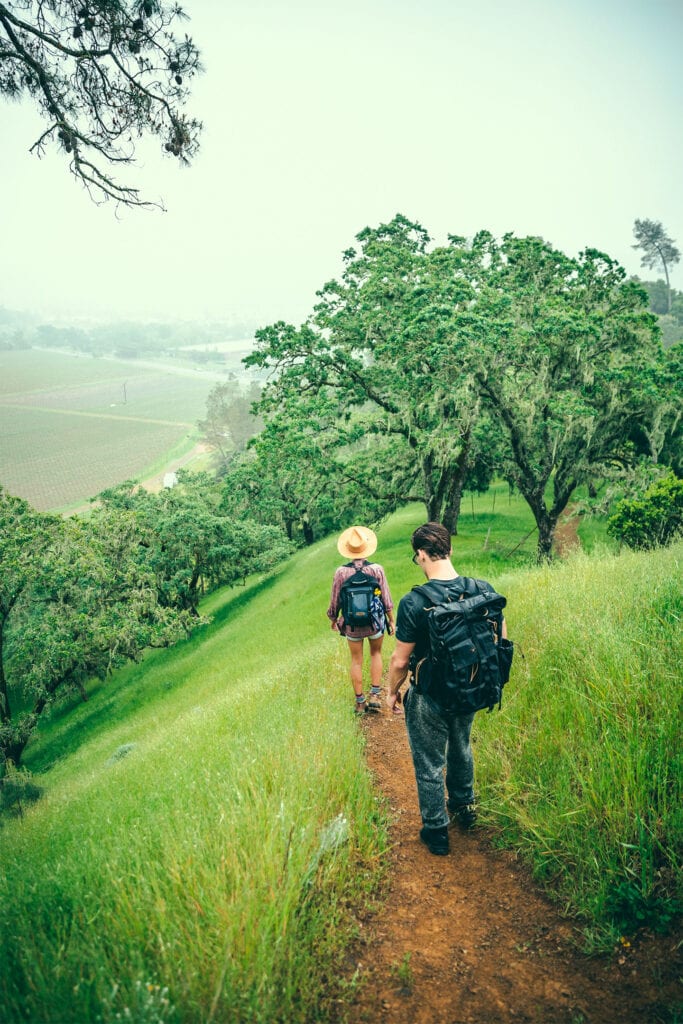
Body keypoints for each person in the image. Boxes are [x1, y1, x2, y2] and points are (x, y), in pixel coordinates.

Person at [385, 522, 508, 855]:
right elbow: (501, 637)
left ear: (421, 555)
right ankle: (465, 806)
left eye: (418, 557)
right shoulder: (482, 588)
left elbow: (399, 661)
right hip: (472, 688)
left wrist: (392, 692)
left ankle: (437, 830)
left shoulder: (415, 602)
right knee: (462, 745)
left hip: (431, 696)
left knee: (428, 761)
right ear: (450, 550)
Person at [328, 525, 396, 715]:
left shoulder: (341, 573)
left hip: (352, 625)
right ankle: (375, 696)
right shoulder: (377, 570)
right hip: (375, 622)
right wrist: (391, 620)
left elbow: (335, 600)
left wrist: (333, 619)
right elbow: (386, 598)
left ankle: (360, 703)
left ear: (348, 550)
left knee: (356, 660)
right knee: (376, 654)